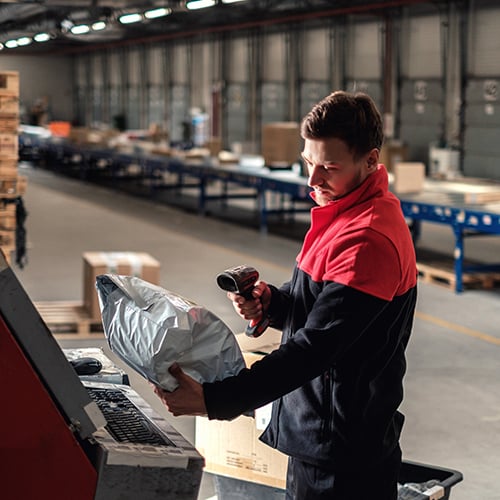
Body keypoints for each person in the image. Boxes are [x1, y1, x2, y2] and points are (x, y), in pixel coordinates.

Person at [153, 90, 418, 500]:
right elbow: (320, 304)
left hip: (342, 455)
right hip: (321, 436)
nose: (313, 180)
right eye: (308, 162)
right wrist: (272, 302)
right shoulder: (343, 214)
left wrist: (214, 400)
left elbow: (316, 348)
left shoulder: (368, 238)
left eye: (329, 167)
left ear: (370, 160)